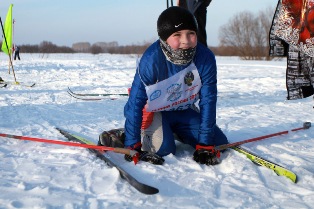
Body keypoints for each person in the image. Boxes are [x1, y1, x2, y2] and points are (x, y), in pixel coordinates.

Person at [98, 6, 228, 166]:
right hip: (155, 112)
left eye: (191, 33)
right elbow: (135, 103)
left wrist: (205, 144)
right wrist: (132, 144)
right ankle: (125, 134)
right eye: (177, 35)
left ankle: (176, 131)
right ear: (164, 38)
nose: (186, 41)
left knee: (217, 143)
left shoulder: (205, 57)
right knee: (164, 148)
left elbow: (208, 99)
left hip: (183, 109)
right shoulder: (151, 59)